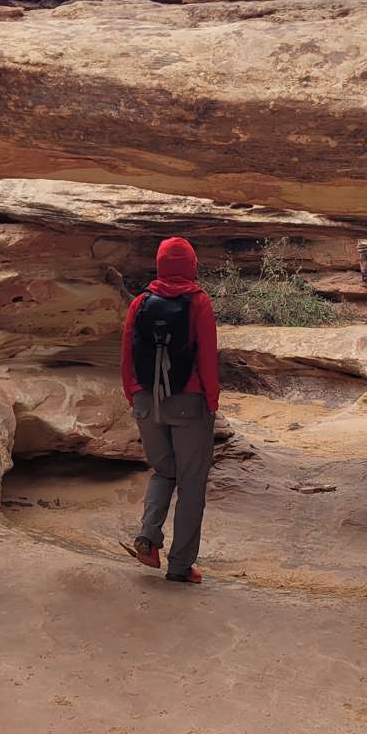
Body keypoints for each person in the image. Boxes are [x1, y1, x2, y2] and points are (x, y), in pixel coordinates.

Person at [119, 237, 221, 584]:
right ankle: (180, 566)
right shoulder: (199, 302)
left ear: (161, 265)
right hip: (187, 402)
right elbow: (207, 358)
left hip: (146, 400)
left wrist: (134, 395)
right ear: (191, 265)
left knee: (164, 472)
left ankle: (148, 540)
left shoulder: (140, 303)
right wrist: (211, 402)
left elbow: (127, 355)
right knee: (191, 483)